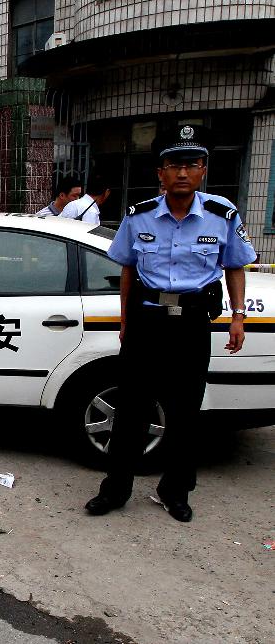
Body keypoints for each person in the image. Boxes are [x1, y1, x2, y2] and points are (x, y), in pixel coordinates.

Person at [84, 124, 257, 523]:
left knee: (184, 411)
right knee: (132, 410)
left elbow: (235, 267)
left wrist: (238, 316)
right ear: (159, 172)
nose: (182, 172)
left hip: (193, 324)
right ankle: (116, 490)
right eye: (173, 165)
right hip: (148, 321)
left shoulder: (221, 215)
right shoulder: (138, 215)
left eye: (191, 164)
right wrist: (126, 322)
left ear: (203, 170)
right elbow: (127, 271)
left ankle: (175, 491)